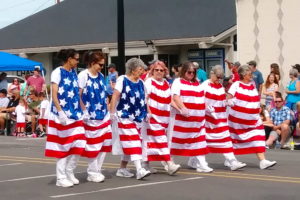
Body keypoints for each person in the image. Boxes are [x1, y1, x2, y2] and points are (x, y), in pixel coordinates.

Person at [45, 49, 86, 188]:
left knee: (80, 143)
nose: (78, 61)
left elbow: (76, 94)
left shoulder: (74, 73)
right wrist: (60, 112)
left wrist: (83, 109)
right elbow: (54, 94)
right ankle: (60, 177)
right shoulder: (57, 72)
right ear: (69, 59)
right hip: (61, 115)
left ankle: (69, 171)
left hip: (75, 114)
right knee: (63, 145)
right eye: (76, 59)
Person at [197, 65, 246, 171]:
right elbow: (198, 100)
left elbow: (222, 99)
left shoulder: (220, 87)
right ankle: (197, 161)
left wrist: (229, 102)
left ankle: (232, 161)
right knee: (202, 142)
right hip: (208, 119)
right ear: (212, 74)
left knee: (226, 140)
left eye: (221, 78)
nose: (219, 79)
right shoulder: (204, 85)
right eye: (217, 77)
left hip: (221, 118)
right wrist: (206, 108)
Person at [228, 65, 276, 169]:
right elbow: (229, 97)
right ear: (243, 74)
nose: (252, 76)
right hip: (238, 121)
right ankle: (230, 160)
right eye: (250, 74)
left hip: (253, 120)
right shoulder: (236, 85)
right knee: (234, 140)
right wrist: (230, 102)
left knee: (258, 137)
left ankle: (263, 161)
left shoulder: (252, 85)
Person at [110, 58, 151, 180]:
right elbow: (115, 96)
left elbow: (144, 99)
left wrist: (148, 113)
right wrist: (112, 113)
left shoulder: (141, 83)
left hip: (137, 118)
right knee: (134, 142)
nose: (142, 71)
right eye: (140, 69)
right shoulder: (122, 80)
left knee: (129, 144)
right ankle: (139, 170)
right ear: (132, 70)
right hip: (124, 116)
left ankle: (122, 169)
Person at [170, 61, 212, 173]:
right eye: (189, 72)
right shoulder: (178, 82)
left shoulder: (197, 83)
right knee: (178, 142)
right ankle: (169, 161)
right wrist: (182, 108)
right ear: (183, 71)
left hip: (198, 120)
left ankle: (202, 164)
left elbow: (201, 98)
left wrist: (207, 107)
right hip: (184, 120)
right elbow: (175, 97)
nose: (191, 74)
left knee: (200, 141)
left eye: (193, 72)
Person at [78, 51, 112, 183]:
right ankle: (92, 171)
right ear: (92, 63)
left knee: (104, 142)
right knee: (93, 145)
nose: (101, 67)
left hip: (102, 114)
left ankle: (97, 169)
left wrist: (108, 108)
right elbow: (77, 95)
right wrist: (84, 110)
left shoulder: (101, 75)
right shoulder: (83, 76)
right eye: (100, 64)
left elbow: (103, 94)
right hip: (90, 117)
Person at [143, 60, 181, 175]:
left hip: (164, 118)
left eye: (161, 70)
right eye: (157, 70)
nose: (159, 72)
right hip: (153, 117)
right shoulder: (149, 82)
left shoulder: (165, 83)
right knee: (161, 141)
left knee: (151, 142)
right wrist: (149, 113)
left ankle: (146, 165)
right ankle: (170, 164)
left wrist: (180, 109)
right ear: (152, 71)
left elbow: (170, 99)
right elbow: (145, 99)